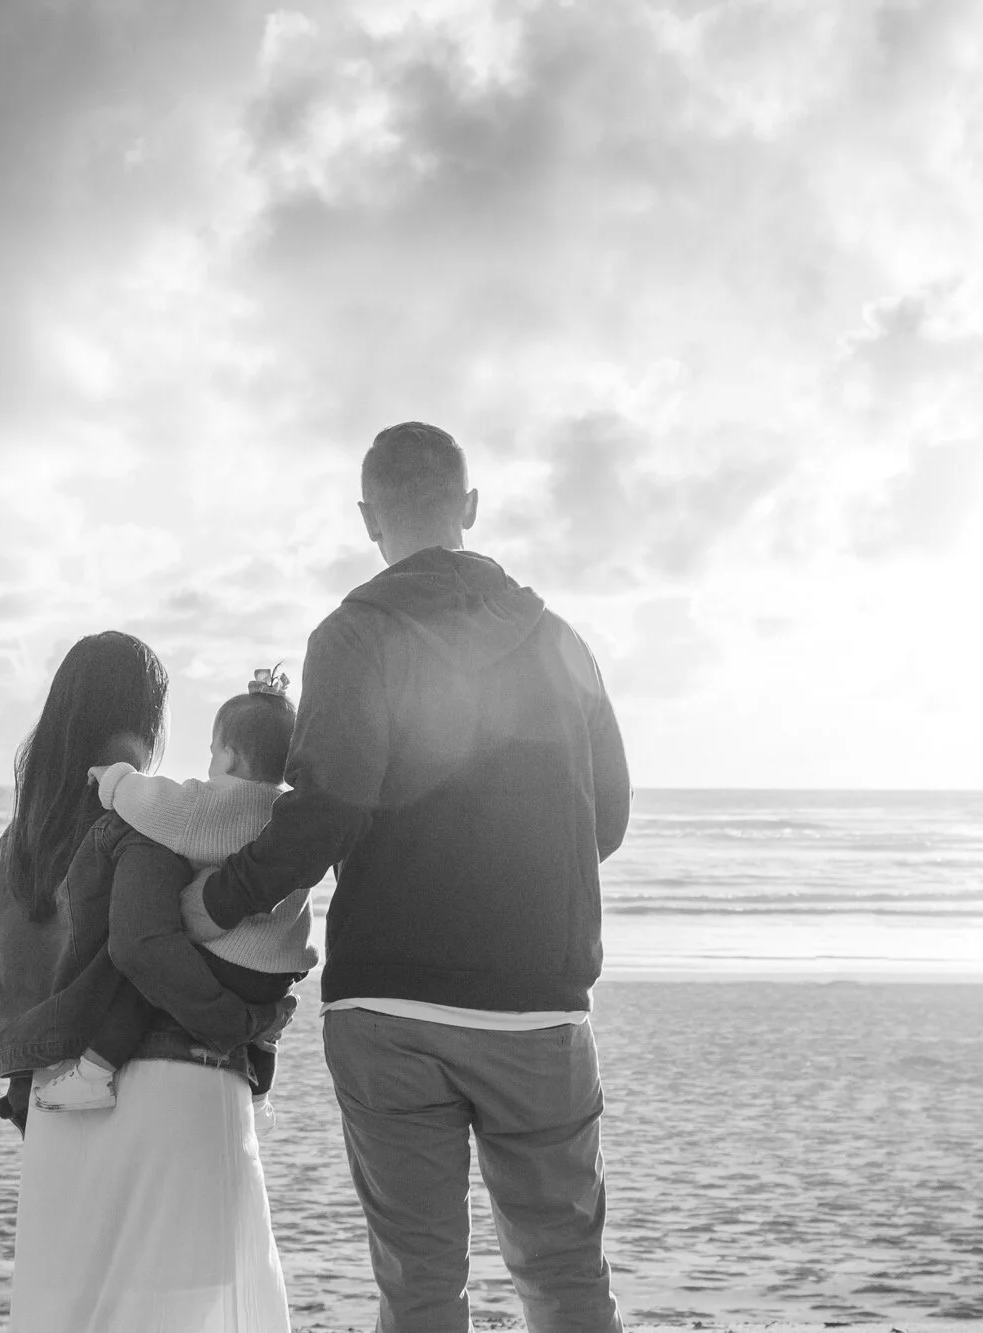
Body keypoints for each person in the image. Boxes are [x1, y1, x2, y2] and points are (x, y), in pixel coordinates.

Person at [185, 422, 633, 1331]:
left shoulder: (352, 636)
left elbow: (328, 807)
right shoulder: (561, 642)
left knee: (421, 1287)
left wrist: (218, 898)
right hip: (538, 1004)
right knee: (566, 1277)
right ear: (468, 507)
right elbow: (610, 819)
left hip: (390, 1007)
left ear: (367, 518)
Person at [0, 630, 295, 1333]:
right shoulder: (146, 814)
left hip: (55, 1099)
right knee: (196, 1307)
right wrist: (245, 1024)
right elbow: (148, 951)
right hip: (169, 1081)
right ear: (150, 715)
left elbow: (3, 983)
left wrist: (24, 1083)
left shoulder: (22, 837)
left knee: (69, 1312)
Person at [34, 669, 314, 1118]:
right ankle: (260, 1091)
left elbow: (157, 804)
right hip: (279, 970)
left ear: (230, 755)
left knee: (144, 977)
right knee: (263, 1024)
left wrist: (116, 778)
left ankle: (94, 1074)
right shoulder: (289, 812)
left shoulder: (214, 803)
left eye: (211, 751)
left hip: (230, 960)